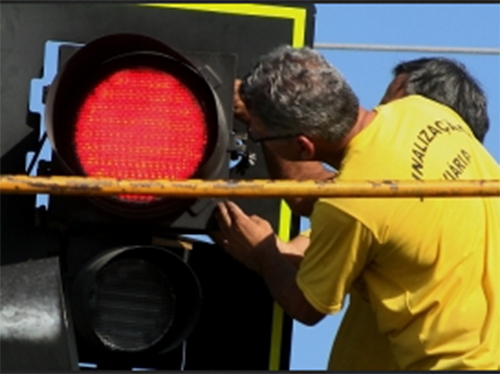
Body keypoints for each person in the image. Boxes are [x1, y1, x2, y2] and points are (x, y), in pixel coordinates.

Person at [213, 45, 500, 370]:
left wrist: (262, 253)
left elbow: (308, 306)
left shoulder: (351, 208)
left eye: (259, 136)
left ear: (303, 146)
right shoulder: (424, 110)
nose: (254, 136)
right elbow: (320, 198)